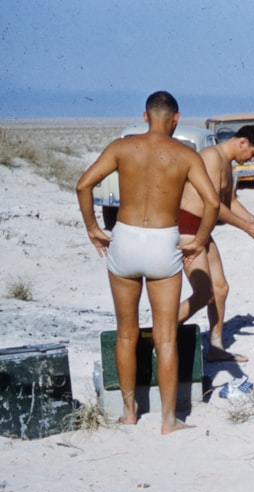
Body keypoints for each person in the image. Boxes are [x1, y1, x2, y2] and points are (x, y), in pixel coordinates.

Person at [76, 91, 220, 434]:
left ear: (144, 117)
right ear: (175, 119)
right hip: (162, 241)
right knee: (166, 336)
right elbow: (212, 202)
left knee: (126, 333)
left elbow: (83, 185)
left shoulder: (121, 147)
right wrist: (199, 241)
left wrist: (94, 229)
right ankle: (169, 420)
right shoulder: (185, 154)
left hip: (124, 239)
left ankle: (129, 412)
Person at [176, 125, 254, 362]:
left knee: (220, 289)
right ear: (242, 142)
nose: (251, 159)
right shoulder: (211, 157)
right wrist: (247, 228)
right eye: (253, 153)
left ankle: (216, 348)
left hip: (203, 231)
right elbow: (214, 206)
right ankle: (160, 330)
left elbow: (230, 201)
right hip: (187, 229)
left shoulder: (226, 164)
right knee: (203, 294)